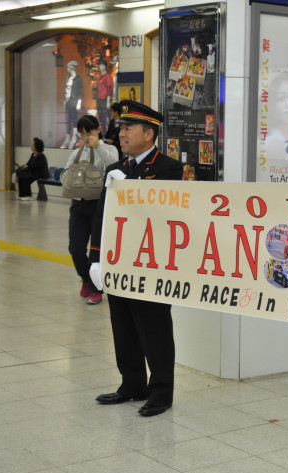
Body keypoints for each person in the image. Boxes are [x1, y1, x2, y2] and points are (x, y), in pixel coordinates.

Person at [89, 100, 183, 417]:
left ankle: (161, 392)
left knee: (153, 327)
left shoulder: (168, 168)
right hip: (119, 261)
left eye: (129, 128)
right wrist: (96, 258)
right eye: (122, 127)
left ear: (149, 133)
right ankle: (132, 384)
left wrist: (134, 188)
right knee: (123, 325)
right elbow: (101, 216)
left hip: (151, 264)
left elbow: (163, 213)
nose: (122, 133)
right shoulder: (117, 169)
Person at [65, 115, 118, 305]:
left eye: (89, 132)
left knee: (96, 250)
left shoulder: (109, 149)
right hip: (78, 205)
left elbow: (113, 163)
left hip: (98, 205)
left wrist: (99, 146)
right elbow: (67, 171)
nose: (86, 136)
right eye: (82, 133)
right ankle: (86, 279)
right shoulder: (78, 153)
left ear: (98, 130)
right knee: (75, 248)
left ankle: (97, 288)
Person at [61, 60, 83, 149]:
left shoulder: (78, 79)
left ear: (71, 68)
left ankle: (74, 138)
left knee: (74, 120)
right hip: (67, 102)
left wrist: (79, 102)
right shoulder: (67, 78)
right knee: (67, 120)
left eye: (68, 67)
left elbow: (81, 92)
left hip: (74, 102)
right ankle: (67, 139)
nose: (67, 69)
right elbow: (65, 90)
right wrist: (64, 101)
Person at [95, 60, 113, 130]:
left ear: (105, 66)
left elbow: (109, 89)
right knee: (101, 118)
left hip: (104, 100)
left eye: (103, 65)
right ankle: (104, 134)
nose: (101, 66)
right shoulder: (100, 77)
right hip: (99, 100)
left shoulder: (107, 76)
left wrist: (108, 101)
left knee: (107, 118)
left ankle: (111, 133)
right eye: (100, 65)